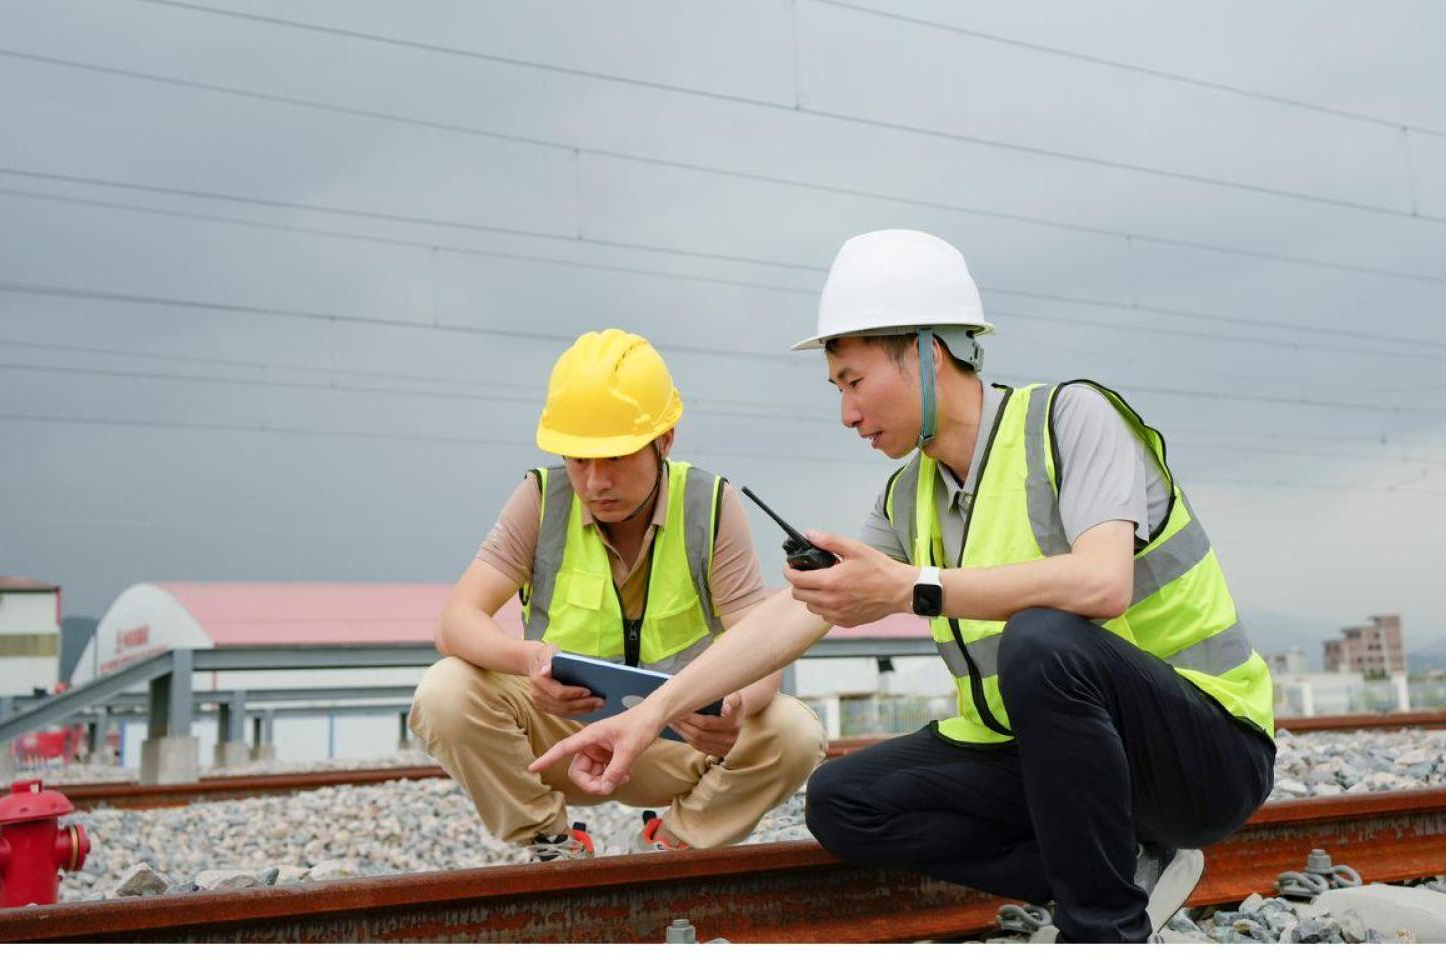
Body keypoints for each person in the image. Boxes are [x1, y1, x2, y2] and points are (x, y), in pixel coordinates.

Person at [530, 231, 1275, 941]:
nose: (846, 412)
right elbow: (792, 614)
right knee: (845, 801)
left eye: (853, 382)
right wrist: (650, 709)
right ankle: (1127, 870)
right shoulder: (905, 496)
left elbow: (1101, 582)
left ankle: (1101, 932)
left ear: (925, 352)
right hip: (1059, 762)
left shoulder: (1071, 420)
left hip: (1203, 754)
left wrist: (909, 588)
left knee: (1043, 637)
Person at [410, 329, 825, 861]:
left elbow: (763, 644)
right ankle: (550, 843)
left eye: (614, 458)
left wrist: (734, 705)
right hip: (562, 735)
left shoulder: (710, 506)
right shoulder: (540, 499)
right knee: (446, 691)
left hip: (678, 737)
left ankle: (671, 845)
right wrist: (531, 660)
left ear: (665, 440)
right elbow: (456, 623)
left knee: (793, 733)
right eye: (579, 460)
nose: (595, 481)